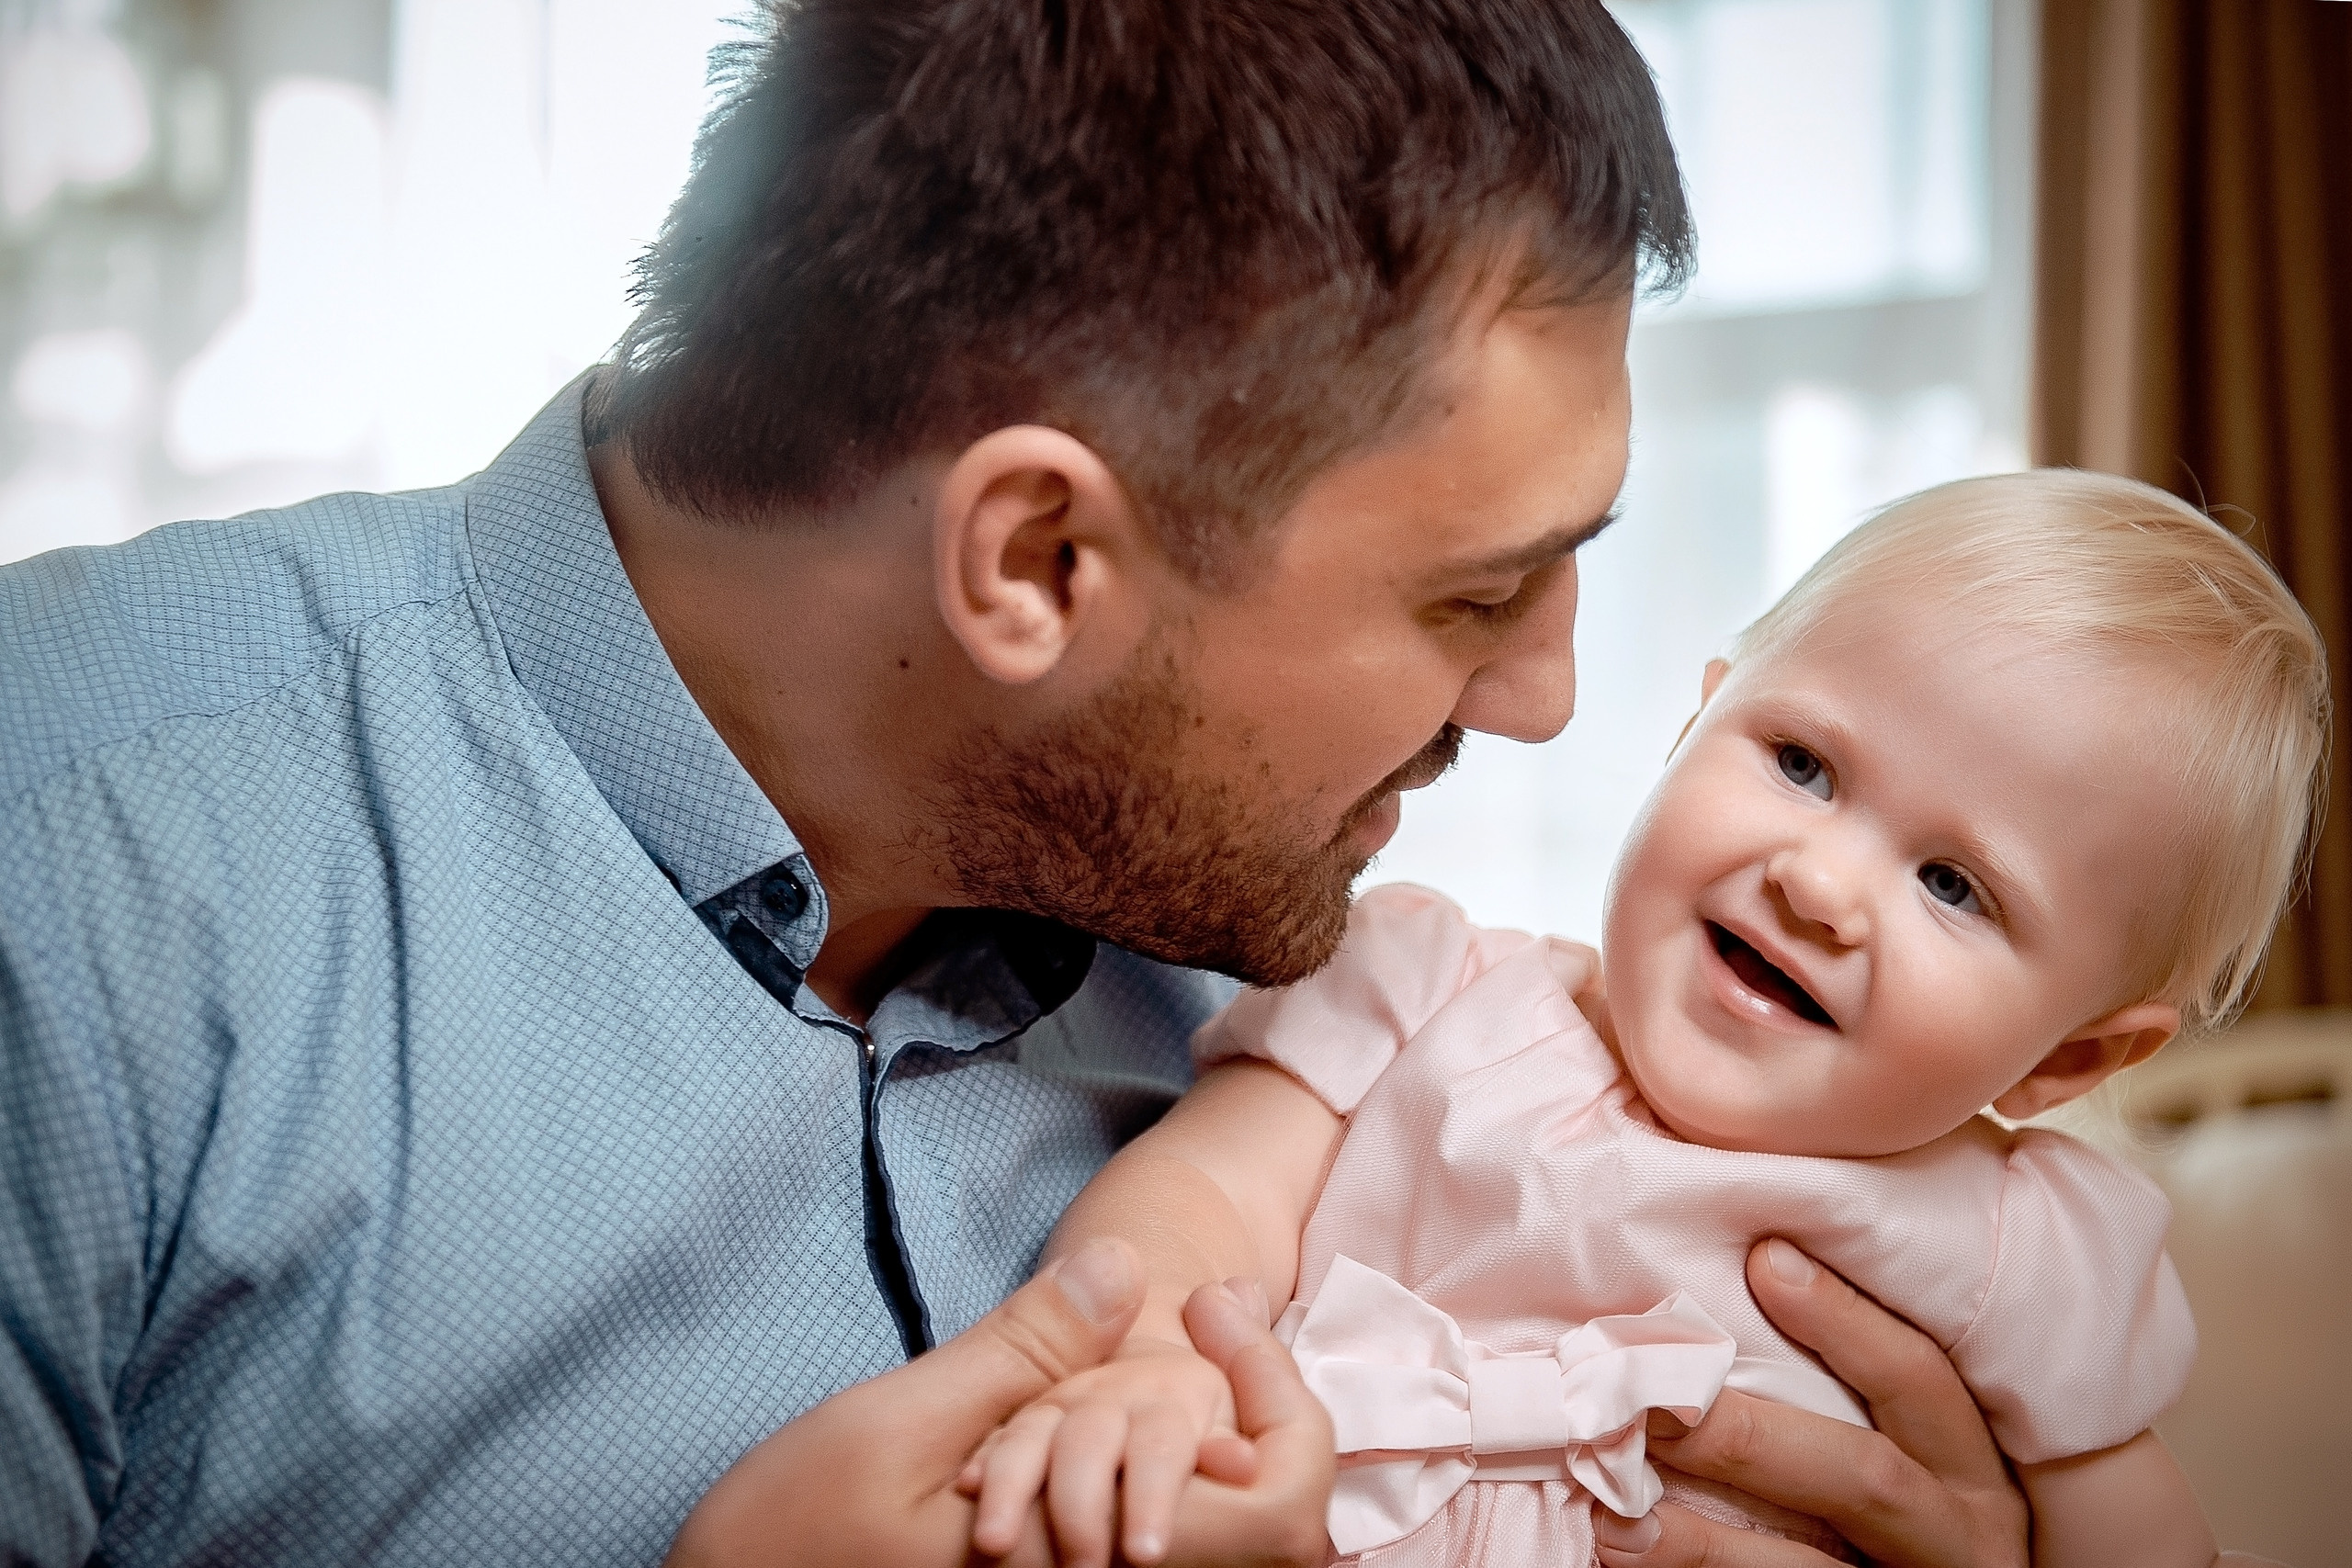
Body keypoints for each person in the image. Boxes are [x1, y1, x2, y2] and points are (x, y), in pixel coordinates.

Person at [0, 1, 2037, 1563]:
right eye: (1473, 596)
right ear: (1037, 563)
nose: (1541, 700)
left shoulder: (1340, 1027)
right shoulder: (73, 879)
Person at [967, 472, 2329, 1567]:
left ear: (2070, 1057)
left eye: (1954, 885)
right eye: (1803, 764)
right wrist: (1141, 1358)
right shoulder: (1424, 985)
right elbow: (1207, 1190)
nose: (1821, 883)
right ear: (1689, 732)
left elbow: (2137, 1531)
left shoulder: (2017, 1246)